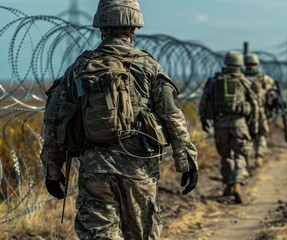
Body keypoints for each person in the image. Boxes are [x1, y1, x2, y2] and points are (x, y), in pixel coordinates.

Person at [40, 0, 198, 239]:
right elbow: (172, 115)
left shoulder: (79, 67)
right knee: (141, 233)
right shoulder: (148, 65)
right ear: (133, 27)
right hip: (139, 167)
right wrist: (186, 161)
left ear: (101, 27)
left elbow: (54, 122)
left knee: (99, 233)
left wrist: (53, 171)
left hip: (95, 168)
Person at [199, 51, 259, 204]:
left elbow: (204, 102)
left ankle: (228, 184)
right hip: (239, 124)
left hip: (220, 123)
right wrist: (254, 125)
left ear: (226, 63)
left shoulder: (214, 80)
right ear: (240, 64)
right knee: (241, 154)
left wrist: (204, 120)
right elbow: (255, 104)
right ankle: (237, 183)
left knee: (226, 155)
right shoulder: (244, 81)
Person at [243, 53, 278, 168]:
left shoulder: (241, 78)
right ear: (257, 64)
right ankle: (259, 156)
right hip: (261, 112)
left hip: (245, 114)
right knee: (262, 134)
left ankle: (247, 158)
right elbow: (273, 94)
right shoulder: (265, 79)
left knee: (246, 136)